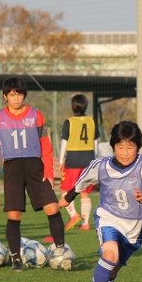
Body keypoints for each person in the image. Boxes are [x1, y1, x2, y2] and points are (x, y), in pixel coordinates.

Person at [59, 121, 142, 282]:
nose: (125, 152)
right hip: (109, 217)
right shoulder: (101, 165)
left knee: (113, 268)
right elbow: (81, 183)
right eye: (120, 147)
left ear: (138, 147)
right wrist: (66, 199)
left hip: (135, 226)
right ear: (113, 146)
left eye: (130, 147)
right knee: (109, 254)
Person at [0, 76, 66, 272]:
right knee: (14, 215)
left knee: (52, 208)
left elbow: (46, 146)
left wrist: (49, 171)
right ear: (5, 96)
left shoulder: (36, 116)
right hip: (12, 169)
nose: (16, 98)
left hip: (35, 167)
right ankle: (16, 260)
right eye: (12, 95)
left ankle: (60, 251)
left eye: (19, 94)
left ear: (24, 96)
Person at [58, 93, 100, 231]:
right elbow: (96, 141)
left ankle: (74, 214)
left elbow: (64, 142)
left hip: (73, 159)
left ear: (72, 106)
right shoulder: (92, 121)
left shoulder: (69, 122)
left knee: (64, 189)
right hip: (88, 158)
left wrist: (61, 160)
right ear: (86, 107)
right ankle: (86, 223)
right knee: (84, 191)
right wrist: (95, 158)